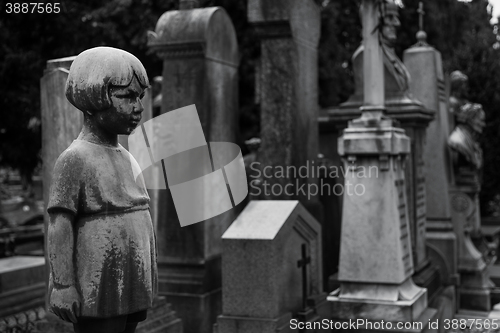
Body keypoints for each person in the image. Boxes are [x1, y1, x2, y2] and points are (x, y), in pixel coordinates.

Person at [47, 46, 157, 333]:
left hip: (131, 275)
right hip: (98, 278)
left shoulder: (125, 155)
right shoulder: (75, 158)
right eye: (127, 97)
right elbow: (60, 225)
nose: (138, 108)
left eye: (140, 97)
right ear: (93, 97)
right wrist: (62, 284)